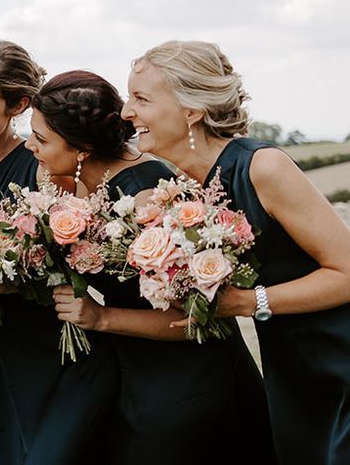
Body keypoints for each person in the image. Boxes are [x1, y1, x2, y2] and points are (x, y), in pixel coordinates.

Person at [122, 39, 350, 464]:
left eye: (141, 99)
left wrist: (248, 302)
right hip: (292, 370)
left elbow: (347, 271)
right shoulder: (189, 192)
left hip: (340, 361)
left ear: (191, 110)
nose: (126, 112)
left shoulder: (263, 167)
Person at [28, 70, 274, 464]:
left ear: (82, 148)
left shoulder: (145, 197)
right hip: (134, 371)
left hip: (186, 384)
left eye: (41, 139)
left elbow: (197, 318)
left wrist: (101, 317)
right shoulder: (76, 185)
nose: (30, 146)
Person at [0, 42, 115, 465]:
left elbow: (68, 256)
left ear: (18, 105)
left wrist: (7, 279)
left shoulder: (41, 165)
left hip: (54, 348)